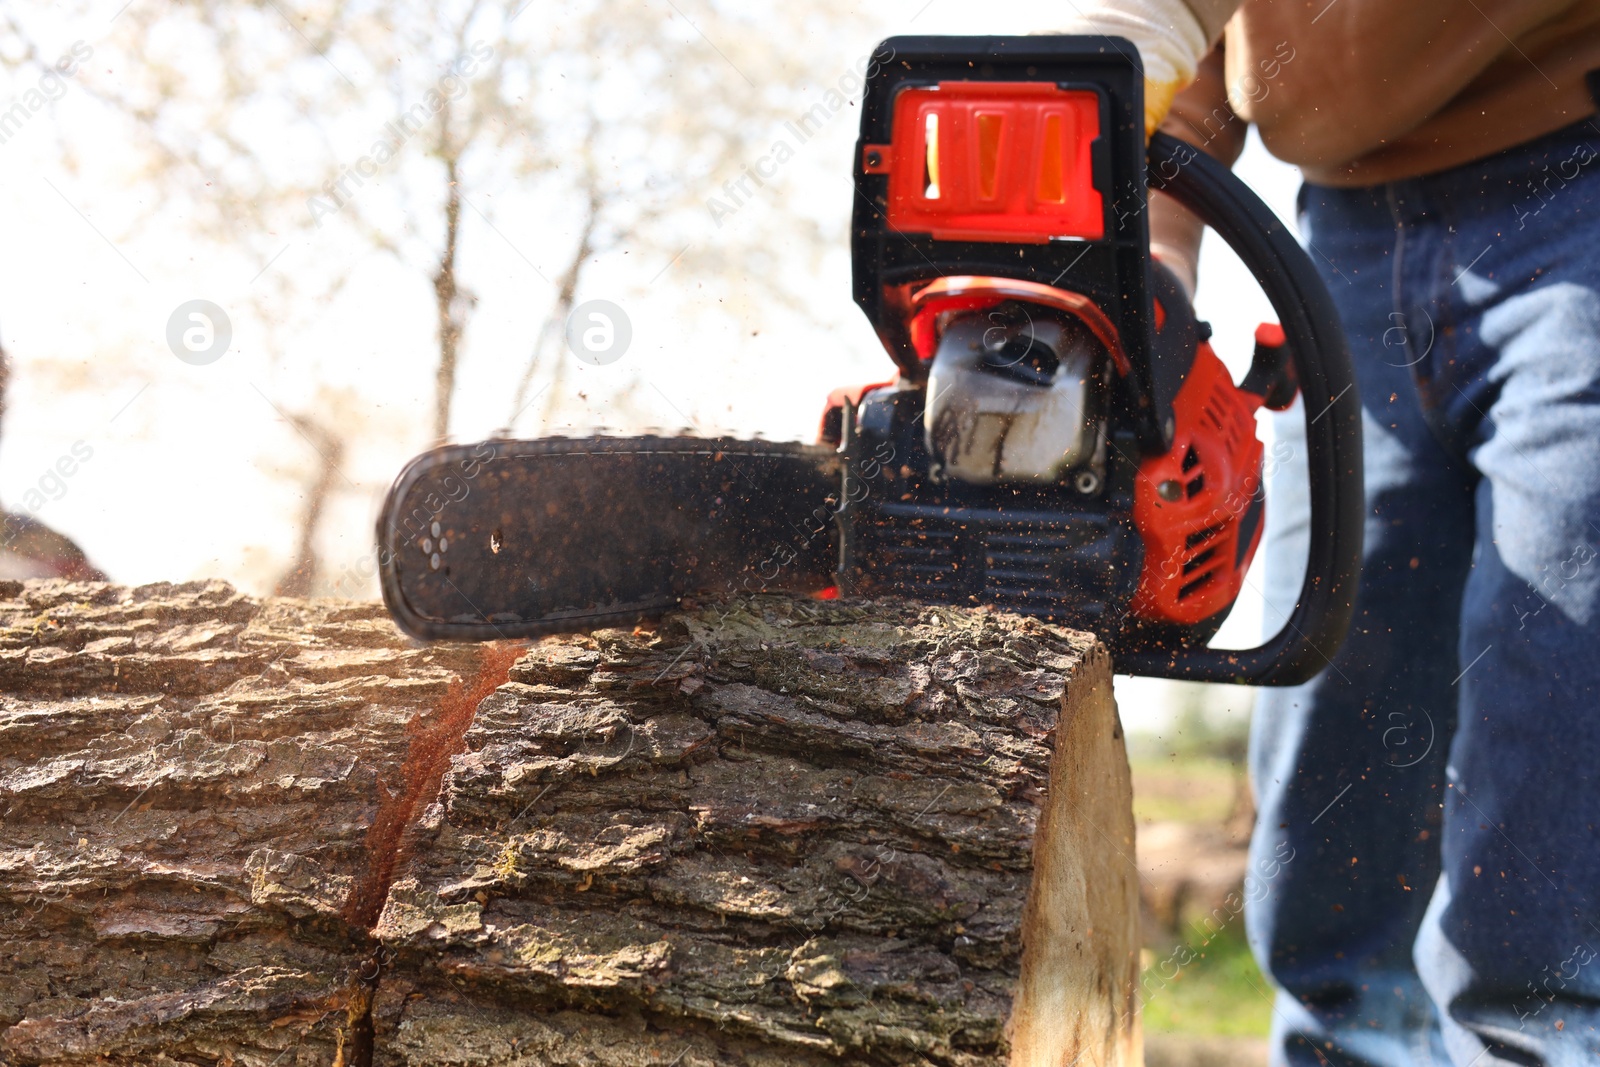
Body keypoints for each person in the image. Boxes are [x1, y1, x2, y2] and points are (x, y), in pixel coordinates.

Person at [1056, 2, 1600, 1064]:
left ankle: (1541, 1037)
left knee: (1555, 649)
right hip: (1336, 234)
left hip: (1573, 188)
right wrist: (1152, 252)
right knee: (1342, 675)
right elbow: (1187, 47)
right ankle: (1346, 1035)